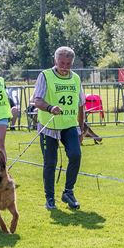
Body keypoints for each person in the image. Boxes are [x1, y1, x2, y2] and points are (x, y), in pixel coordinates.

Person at [33, 46, 85, 210]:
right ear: (55, 61)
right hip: (49, 126)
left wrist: (81, 129)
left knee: (75, 155)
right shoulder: (45, 76)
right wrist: (50, 108)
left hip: (69, 125)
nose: (64, 67)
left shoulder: (75, 78)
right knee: (50, 162)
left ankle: (68, 192)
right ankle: (49, 198)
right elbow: (37, 100)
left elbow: (81, 105)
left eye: (68, 64)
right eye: (61, 63)